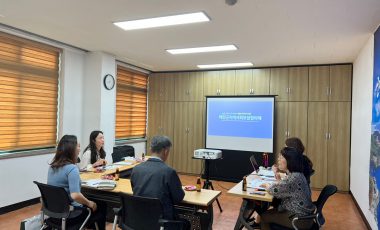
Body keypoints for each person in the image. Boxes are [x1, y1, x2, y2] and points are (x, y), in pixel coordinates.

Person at [47, 135, 106, 230]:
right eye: (78, 146)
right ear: (71, 149)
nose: (79, 149)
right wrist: (90, 203)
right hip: (71, 215)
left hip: (54, 214)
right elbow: (75, 195)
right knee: (101, 205)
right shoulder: (72, 169)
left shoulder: (52, 166)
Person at [131, 135, 185, 222]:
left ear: (151, 149)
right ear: (166, 151)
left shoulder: (136, 169)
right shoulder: (169, 172)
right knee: (186, 223)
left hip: (138, 220)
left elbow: (135, 190)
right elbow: (178, 198)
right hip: (161, 222)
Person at [259, 147, 315, 230]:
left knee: (263, 217)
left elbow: (273, 190)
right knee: (269, 211)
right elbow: (285, 188)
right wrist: (278, 179)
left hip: (299, 219)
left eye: (281, 157)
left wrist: (267, 185)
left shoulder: (293, 178)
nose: (278, 159)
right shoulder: (296, 174)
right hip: (303, 215)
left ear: (290, 161)